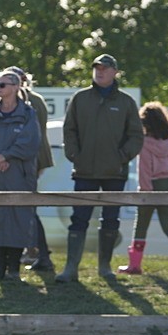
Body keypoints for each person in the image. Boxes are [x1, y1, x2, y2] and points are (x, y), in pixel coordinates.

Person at [55, 54, 143, 282]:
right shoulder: (80, 98)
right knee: (79, 219)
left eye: (104, 68)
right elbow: (69, 130)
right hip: (84, 171)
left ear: (115, 72)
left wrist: (121, 157)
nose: (100, 72)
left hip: (115, 173)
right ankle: (70, 269)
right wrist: (74, 155)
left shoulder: (126, 102)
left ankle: (105, 267)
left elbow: (136, 136)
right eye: (96, 68)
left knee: (111, 220)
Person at [0, 65, 56, 271]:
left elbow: (33, 138)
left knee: (21, 213)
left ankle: (37, 256)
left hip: (24, 166)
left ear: (17, 85)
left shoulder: (32, 106)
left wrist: (7, 156)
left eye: (3, 84)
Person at [118, 102, 168, 275]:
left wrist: (145, 189)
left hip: (151, 185)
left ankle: (134, 265)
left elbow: (145, 169)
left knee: (141, 224)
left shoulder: (145, 143)